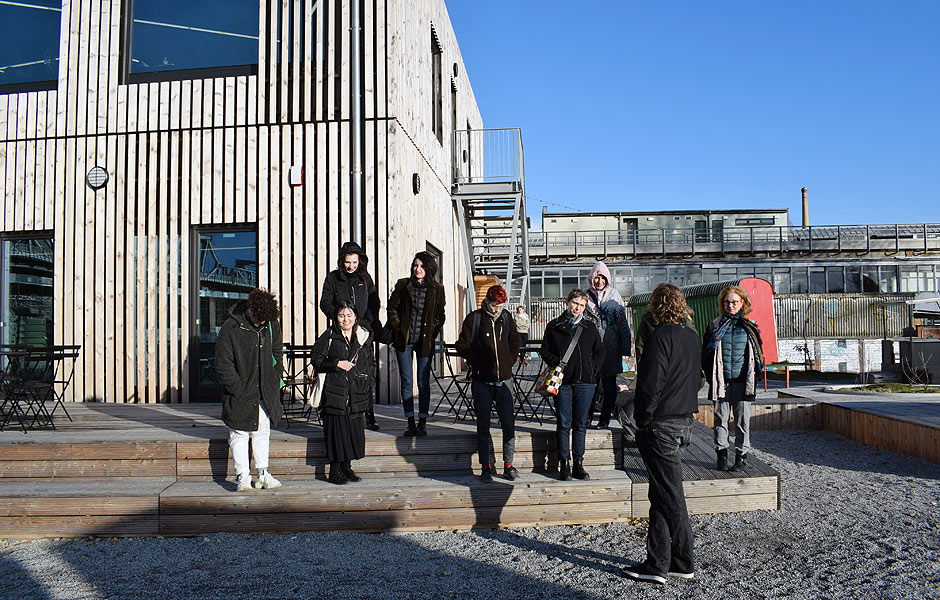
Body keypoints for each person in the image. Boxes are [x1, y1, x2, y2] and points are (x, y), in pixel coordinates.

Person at [623, 283, 700, 585]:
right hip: (683, 421)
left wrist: (641, 419)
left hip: (661, 425)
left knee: (670, 497)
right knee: (660, 493)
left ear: (655, 306)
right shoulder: (691, 337)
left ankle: (682, 561)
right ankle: (658, 563)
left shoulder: (660, 337)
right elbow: (696, 380)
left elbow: (650, 384)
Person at [215, 288, 285, 492]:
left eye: (265, 320)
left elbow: (277, 351)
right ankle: (242, 477)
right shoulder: (230, 328)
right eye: (259, 319)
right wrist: (237, 388)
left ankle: (263, 474)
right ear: (250, 309)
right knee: (239, 433)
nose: (262, 323)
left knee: (263, 431)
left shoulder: (270, 322)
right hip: (240, 391)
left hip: (265, 389)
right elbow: (223, 364)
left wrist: (274, 374)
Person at [455, 285, 522, 482]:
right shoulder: (474, 319)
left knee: (508, 424)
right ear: (487, 301)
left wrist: (509, 362)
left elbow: (515, 341)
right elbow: (462, 345)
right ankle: (486, 467)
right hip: (482, 381)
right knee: (483, 424)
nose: (497, 310)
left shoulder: (507, 318)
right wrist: (477, 361)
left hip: (504, 380)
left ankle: (508, 465)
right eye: (494, 306)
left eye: (500, 306)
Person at [539, 289, 604, 481]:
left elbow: (600, 352)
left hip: (586, 382)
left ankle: (579, 462)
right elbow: (545, 350)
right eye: (575, 303)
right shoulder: (554, 326)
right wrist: (556, 362)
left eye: (582, 305)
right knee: (563, 423)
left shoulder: (590, 327)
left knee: (580, 424)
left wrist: (593, 369)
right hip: (563, 382)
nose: (577, 308)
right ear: (568, 302)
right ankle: (564, 463)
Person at [319, 241, 381, 431]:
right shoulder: (333, 278)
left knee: (364, 372)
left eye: (354, 262)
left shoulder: (365, 278)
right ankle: (338, 411)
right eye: (347, 262)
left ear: (360, 261)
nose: (351, 266)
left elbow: (374, 302)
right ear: (341, 261)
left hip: (362, 332)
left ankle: (369, 414)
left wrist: (367, 321)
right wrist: (340, 317)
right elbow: (325, 303)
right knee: (340, 371)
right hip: (341, 332)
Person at [702, 285, 765, 471]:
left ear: (742, 303)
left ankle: (741, 457)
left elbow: (758, 354)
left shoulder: (749, 327)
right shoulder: (714, 325)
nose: (731, 305)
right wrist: (710, 375)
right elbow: (705, 353)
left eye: (734, 302)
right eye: (727, 302)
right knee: (720, 419)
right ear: (723, 304)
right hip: (721, 381)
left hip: (742, 382)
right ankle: (721, 455)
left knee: (742, 421)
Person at [311, 301, 375, 485]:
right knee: (336, 433)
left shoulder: (363, 336)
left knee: (352, 432)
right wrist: (336, 363)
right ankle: (335, 470)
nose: (345, 319)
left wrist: (369, 381)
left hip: (356, 392)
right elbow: (316, 359)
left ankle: (347, 467)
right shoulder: (330, 335)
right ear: (336, 317)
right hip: (335, 392)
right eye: (341, 315)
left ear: (355, 316)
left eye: (349, 315)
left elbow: (369, 362)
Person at [386, 251, 446, 436]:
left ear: (429, 268)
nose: (417, 269)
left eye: (421, 266)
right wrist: (398, 328)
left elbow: (439, 315)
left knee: (423, 383)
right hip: (405, 341)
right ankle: (410, 421)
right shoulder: (403, 285)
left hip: (424, 342)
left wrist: (432, 331)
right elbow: (392, 308)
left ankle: (423, 422)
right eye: (415, 265)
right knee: (406, 381)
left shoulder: (437, 288)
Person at [584, 261, 632, 430]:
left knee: (610, 384)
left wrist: (626, 347)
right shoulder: (584, 296)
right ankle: (587, 417)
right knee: (590, 383)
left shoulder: (614, 295)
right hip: (590, 347)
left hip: (611, 347)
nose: (599, 281)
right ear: (592, 277)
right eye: (597, 277)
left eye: (603, 278)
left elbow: (622, 322)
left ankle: (604, 419)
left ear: (607, 279)